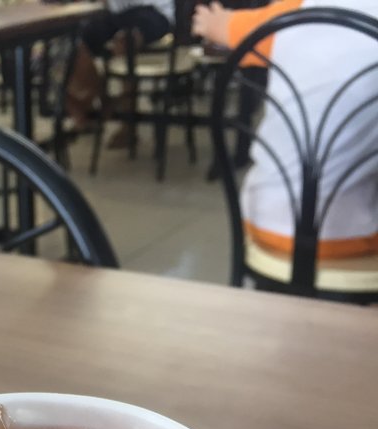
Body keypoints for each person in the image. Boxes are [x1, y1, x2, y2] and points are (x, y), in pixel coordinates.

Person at [193, 0, 378, 258]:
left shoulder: (291, 11)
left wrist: (218, 17)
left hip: (264, 217)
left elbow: (212, 26)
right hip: (357, 233)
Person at [66, 0, 174, 131]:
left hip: (155, 12)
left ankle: (126, 123)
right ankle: (102, 99)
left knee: (126, 40)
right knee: (83, 37)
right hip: (118, 15)